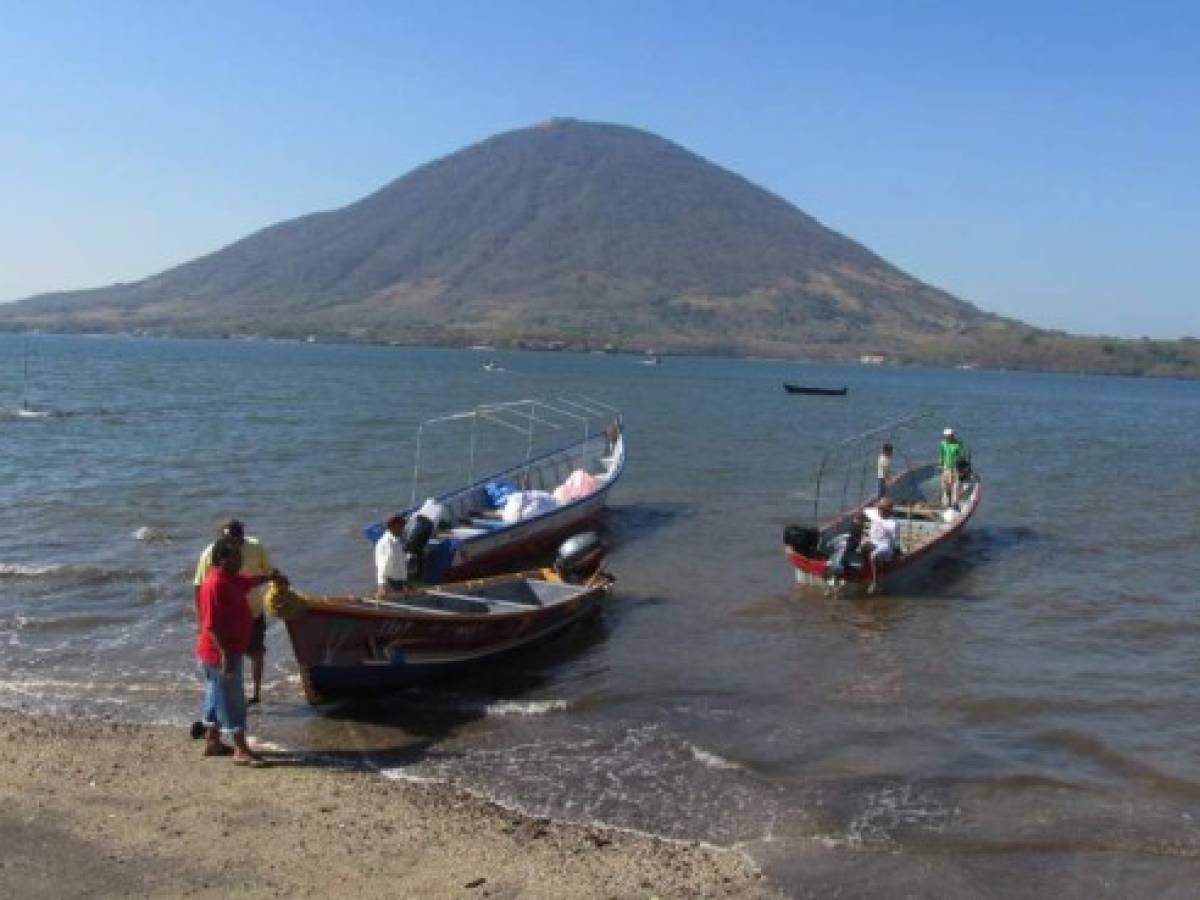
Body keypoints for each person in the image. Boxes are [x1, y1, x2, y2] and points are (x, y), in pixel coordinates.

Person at [195, 537, 282, 766]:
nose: (241, 559)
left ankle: (212, 741)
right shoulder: (215, 584)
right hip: (220, 653)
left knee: (215, 695)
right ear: (223, 558)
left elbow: (249, 582)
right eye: (236, 556)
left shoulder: (231, 579)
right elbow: (210, 625)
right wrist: (225, 654)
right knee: (233, 700)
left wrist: (271, 577)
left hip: (227, 649)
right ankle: (241, 750)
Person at [194, 519, 275, 705]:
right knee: (227, 662)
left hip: (253, 613)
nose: (236, 543)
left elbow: (255, 579)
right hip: (224, 622)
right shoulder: (209, 554)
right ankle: (228, 706)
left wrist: (275, 581)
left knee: (256, 653)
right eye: (230, 539)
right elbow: (199, 587)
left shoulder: (255, 546)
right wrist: (202, 623)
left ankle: (255, 694)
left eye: (239, 538)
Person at [861, 498, 900, 594]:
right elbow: (864, 510)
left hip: (885, 546)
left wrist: (895, 552)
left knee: (874, 555)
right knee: (862, 546)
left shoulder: (892, 524)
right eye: (879, 508)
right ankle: (867, 568)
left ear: (888, 511)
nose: (879, 510)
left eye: (882, 509)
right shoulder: (874, 514)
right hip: (874, 542)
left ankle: (875, 582)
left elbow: (894, 541)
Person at [375, 513, 408, 596]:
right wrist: (381, 585)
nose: (403, 529)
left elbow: (400, 564)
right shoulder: (386, 543)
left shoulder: (396, 542)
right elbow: (382, 565)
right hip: (390, 584)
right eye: (401, 526)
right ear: (394, 526)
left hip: (399, 583)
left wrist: (405, 582)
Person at [938, 428, 967, 509]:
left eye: (948, 436)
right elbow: (941, 455)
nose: (946, 437)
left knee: (956, 486)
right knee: (946, 486)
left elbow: (961, 455)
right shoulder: (942, 444)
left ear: (952, 435)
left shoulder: (958, 444)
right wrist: (940, 464)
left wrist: (961, 468)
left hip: (955, 468)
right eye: (945, 436)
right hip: (946, 467)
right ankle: (948, 501)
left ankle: (955, 503)